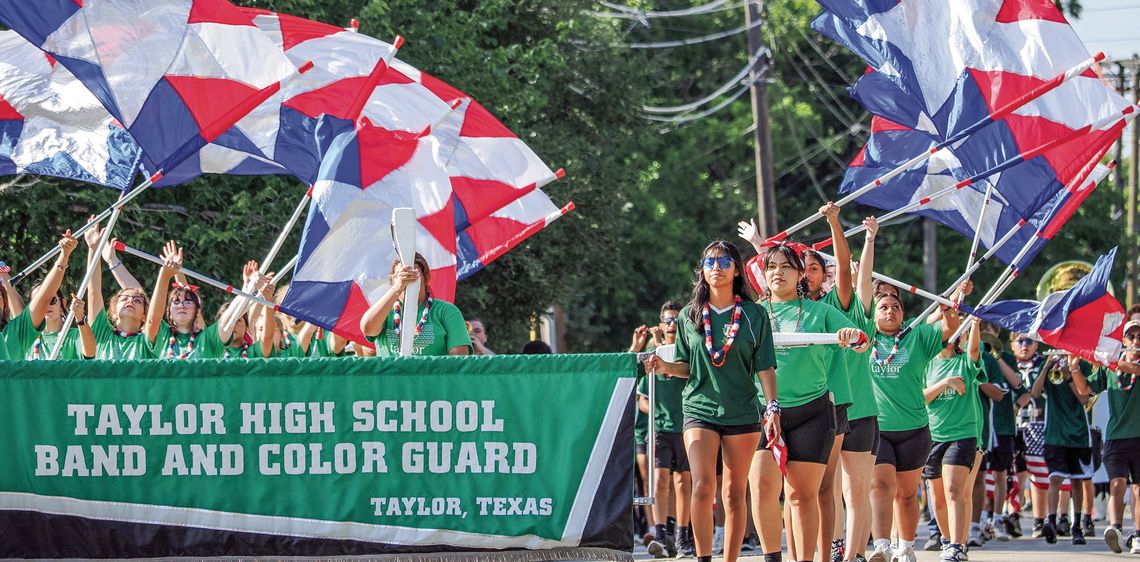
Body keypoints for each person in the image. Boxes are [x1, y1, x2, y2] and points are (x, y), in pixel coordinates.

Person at [645, 240, 777, 562]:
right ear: (701, 271)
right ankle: (703, 557)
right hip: (699, 408)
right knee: (702, 485)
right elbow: (685, 366)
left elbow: (765, 366)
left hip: (742, 410)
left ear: (736, 269)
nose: (716, 268)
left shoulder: (754, 314)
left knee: (733, 493)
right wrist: (664, 367)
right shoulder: (691, 316)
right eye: (709, 262)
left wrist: (772, 407)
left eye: (723, 261)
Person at [861, 284, 963, 562]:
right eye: (883, 307)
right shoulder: (865, 337)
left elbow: (950, 330)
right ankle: (881, 546)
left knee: (906, 495)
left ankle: (905, 548)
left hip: (914, 429)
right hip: (878, 428)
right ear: (874, 314)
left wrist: (948, 310)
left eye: (895, 307)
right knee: (880, 486)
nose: (889, 311)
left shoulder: (916, 336)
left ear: (903, 314)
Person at [921, 317, 987, 562]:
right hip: (932, 436)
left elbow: (974, 351)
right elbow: (921, 398)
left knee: (953, 490)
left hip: (962, 435)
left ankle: (958, 546)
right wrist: (945, 383)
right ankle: (948, 542)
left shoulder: (965, 363)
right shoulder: (927, 365)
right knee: (936, 498)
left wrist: (976, 325)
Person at [641, 300, 695, 558]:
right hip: (660, 428)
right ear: (660, 324)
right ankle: (660, 535)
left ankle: (684, 535)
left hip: (686, 425)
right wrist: (655, 411)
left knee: (684, 481)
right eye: (668, 320)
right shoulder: (653, 353)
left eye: (676, 320)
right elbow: (642, 396)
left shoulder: (687, 349)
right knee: (660, 480)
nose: (672, 324)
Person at [1027, 352, 1096, 545]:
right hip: (1055, 434)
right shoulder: (1050, 367)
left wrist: (1069, 375)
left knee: (1077, 481)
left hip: (1079, 435)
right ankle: (1050, 521)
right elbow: (1034, 392)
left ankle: (1077, 526)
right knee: (1055, 478)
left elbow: (1084, 399)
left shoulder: (1084, 366)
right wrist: (1047, 366)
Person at [1, 230, 94, 359]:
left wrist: (64, 255)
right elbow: (8, 287)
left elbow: (90, 354)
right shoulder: (27, 333)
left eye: (52, 300)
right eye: (36, 301)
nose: (45, 306)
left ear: (63, 303)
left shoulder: (15, 333)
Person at [360, 253, 471, 356]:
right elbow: (368, 328)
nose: (406, 279)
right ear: (392, 280)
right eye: (400, 275)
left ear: (426, 278)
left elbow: (458, 360)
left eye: (414, 274)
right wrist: (397, 288)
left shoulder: (446, 311)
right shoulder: (385, 311)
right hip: (391, 377)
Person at [1093, 320, 1140, 553]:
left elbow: (1135, 369)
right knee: (1116, 484)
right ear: (1123, 341)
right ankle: (1116, 529)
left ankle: (1139, 535)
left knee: (1138, 489)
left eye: (1139, 336)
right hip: (1116, 436)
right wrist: (1072, 366)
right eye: (1130, 337)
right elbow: (1084, 391)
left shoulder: (1115, 363)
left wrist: (1108, 359)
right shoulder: (1109, 367)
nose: (1135, 341)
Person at [1010, 332, 1050, 538]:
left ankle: (1038, 520)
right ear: (1012, 344)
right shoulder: (1007, 363)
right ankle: (1012, 516)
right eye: (1020, 341)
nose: (1024, 346)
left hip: (1037, 425)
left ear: (1036, 344)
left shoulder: (1044, 364)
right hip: (1013, 425)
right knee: (1015, 472)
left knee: (1039, 473)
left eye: (1029, 341)